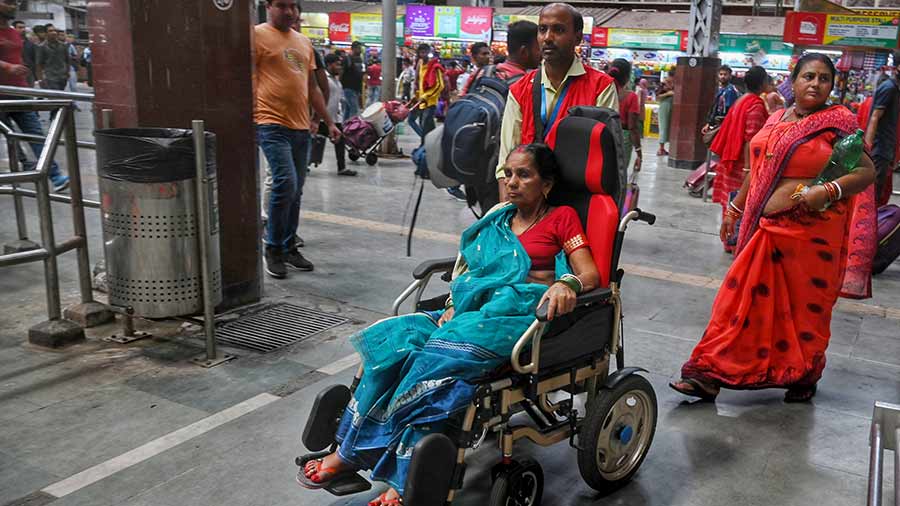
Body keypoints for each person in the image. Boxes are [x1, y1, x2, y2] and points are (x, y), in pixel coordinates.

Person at [297, 143, 601, 505]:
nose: (512, 182)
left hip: (517, 316)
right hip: (473, 309)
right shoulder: (498, 218)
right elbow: (472, 273)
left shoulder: (561, 217)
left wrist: (565, 284)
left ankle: (383, 466)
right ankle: (354, 443)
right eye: (508, 174)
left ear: (546, 184)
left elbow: (589, 273)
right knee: (391, 340)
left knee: (430, 368)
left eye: (524, 174)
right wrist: (456, 303)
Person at [670, 53, 877, 403]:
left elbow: (866, 172)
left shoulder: (839, 123)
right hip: (767, 228)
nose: (815, 84)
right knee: (737, 301)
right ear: (792, 81)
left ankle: (802, 372)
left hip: (814, 236)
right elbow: (758, 168)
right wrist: (735, 208)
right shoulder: (776, 118)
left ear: (831, 85)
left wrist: (827, 190)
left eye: (823, 79)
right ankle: (708, 372)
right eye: (808, 76)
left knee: (803, 312)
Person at [495, 3, 618, 203]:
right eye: (543, 29)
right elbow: (506, 162)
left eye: (558, 30)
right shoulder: (520, 90)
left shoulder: (600, 87)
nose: (548, 38)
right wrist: (506, 216)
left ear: (577, 37)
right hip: (529, 201)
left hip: (577, 202)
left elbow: (606, 161)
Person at [254, 0, 340, 279]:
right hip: (270, 123)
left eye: (293, 7)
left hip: (301, 127)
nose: (289, 12)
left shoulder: (303, 42)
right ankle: (273, 248)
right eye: (282, 6)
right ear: (268, 6)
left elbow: (312, 87)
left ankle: (289, 245)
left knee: (296, 190)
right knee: (285, 183)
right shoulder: (256, 36)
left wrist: (326, 121)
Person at [0, 0, 67, 191]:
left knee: (36, 134)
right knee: (10, 135)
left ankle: (56, 176)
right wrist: (7, 67)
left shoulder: (14, 32)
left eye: (15, 3)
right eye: (7, 2)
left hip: (19, 92)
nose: (13, 6)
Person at [709, 66, 769, 253]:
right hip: (741, 164)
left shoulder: (741, 99)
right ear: (762, 83)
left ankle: (729, 241)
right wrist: (748, 170)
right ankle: (735, 243)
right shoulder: (756, 105)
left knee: (731, 203)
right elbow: (751, 139)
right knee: (740, 203)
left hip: (730, 160)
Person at [863, 59, 898, 207]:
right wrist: (868, 148)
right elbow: (875, 117)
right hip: (879, 148)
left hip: (886, 148)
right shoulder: (889, 88)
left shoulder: (895, 88)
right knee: (871, 192)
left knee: (878, 191)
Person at [323, 53, 355, 177]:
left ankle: (341, 168)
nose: (339, 67)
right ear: (329, 65)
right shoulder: (324, 79)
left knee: (340, 142)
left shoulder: (335, 80)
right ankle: (305, 166)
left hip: (334, 119)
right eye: (337, 64)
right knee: (311, 142)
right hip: (321, 119)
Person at [408, 43, 444, 146]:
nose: (423, 55)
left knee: (425, 125)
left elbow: (439, 85)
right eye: (421, 52)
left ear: (429, 53)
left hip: (430, 102)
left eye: (425, 52)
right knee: (422, 124)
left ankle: (424, 146)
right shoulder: (420, 63)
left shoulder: (435, 66)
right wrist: (417, 95)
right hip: (420, 101)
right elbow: (419, 81)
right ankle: (433, 144)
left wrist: (425, 96)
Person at [610, 59, 642, 173]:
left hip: (602, 134)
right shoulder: (631, 97)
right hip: (622, 138)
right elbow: (633, 127)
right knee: (620, 174)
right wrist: (639, 153)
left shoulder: (600, 92)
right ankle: (623, 191)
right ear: (628, 77)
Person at [701, 65, 740, 137]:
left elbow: (729, 110)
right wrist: (709, 123)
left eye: (725, 74)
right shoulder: (721, 90)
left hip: (725, 124)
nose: (723, 76)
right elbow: (715, 108)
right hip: (718, 123)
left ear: (730, 76)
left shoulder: (730, 90)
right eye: (721, 74)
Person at [35, 24, 68, 91]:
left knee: (61, 95)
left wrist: (67, 72)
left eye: (55, 30)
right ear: (46, 33)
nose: (54, 32)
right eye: (50, 31)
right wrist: (40, 79)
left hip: (62, 76)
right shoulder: (41, 47)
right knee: (55, 97)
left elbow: (67, 60)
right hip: (49, 77)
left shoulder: (63, 45)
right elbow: (38, 64)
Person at [341, 41, 365, 120]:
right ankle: (352, 130)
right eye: (359, 48)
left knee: (348, 110)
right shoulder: (347, 59)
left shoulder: (359, 59)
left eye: (360, 48)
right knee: (354, 110)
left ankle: (344, 127)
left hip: (356, 88)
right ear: (353, 49)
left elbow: (360, 73)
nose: (360, 50)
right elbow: (341, 72)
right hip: (348, 88)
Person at [12, 20, 34, 86]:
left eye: (24, 27)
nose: (23, 29)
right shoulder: (10, 42)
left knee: (29, 93)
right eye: (20, 27)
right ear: (14, 28)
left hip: (28, 72)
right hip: (14, 72)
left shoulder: (30, 43)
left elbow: (34, 58)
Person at [657, 73, 674, 156]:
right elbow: (657, 96)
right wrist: (668, 94)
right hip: (664, 107)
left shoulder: (676, 84)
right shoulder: (663, 84)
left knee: (671, 128)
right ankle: (661, 149)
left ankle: (666, 148)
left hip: (672, 108)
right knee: (663, 126)